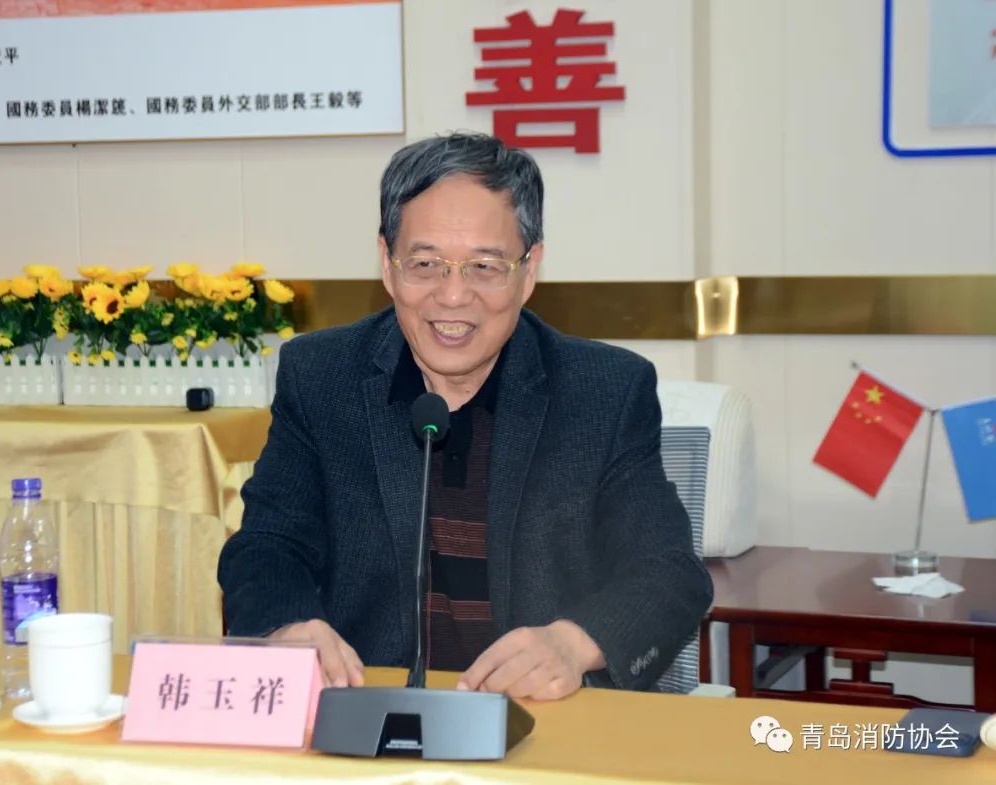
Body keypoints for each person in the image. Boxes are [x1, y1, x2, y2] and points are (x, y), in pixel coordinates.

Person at [218, 132, 712, 700]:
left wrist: (574, 644)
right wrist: (286, 626)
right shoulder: (322, 377)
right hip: (366, 709)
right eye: (425, 264)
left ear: (529, 270)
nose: (453, 296)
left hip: (543, 715)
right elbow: (268, 545)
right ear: (387, 264)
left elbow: (669, 572)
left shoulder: (603, 392)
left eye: (484, 266)